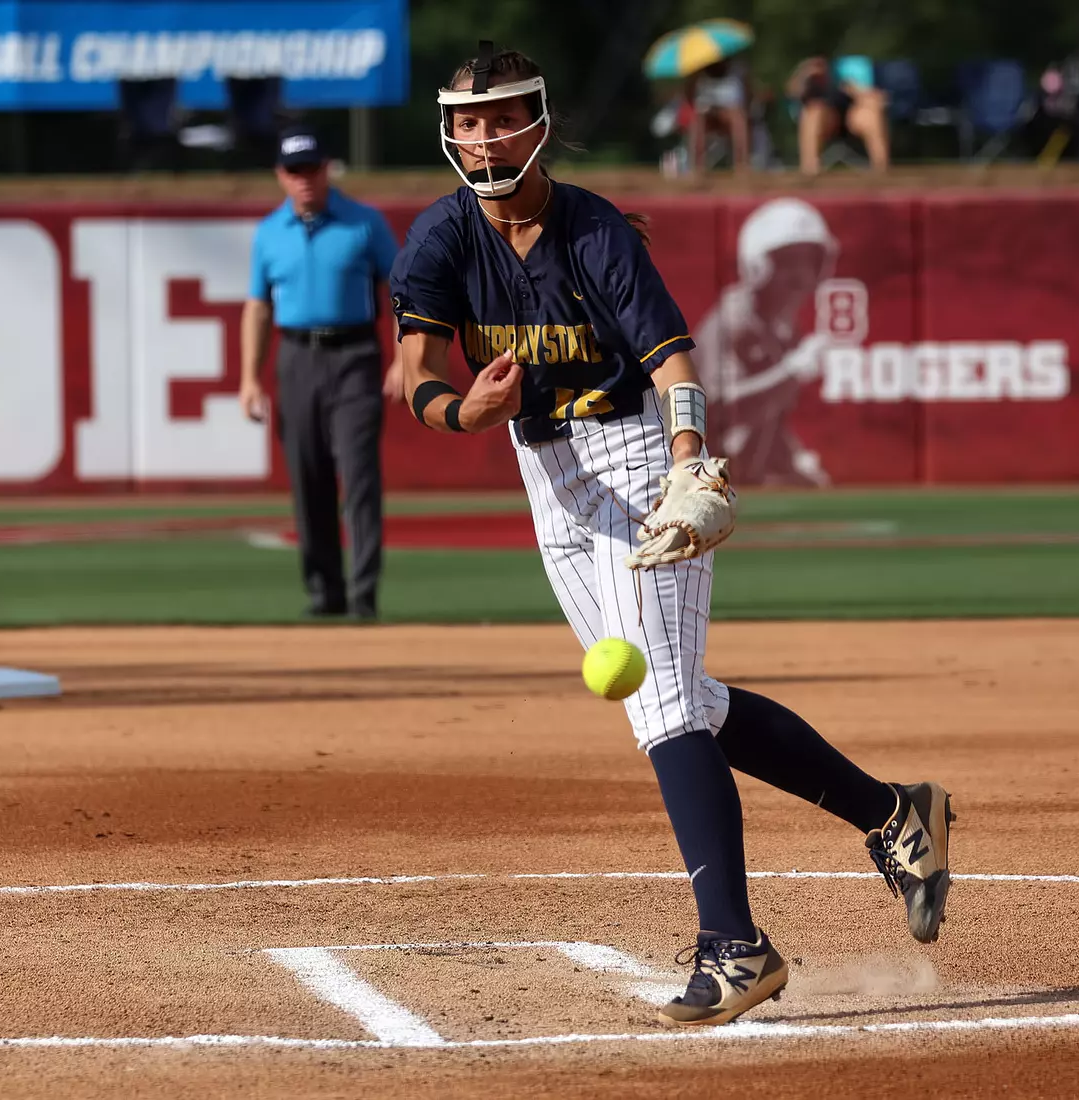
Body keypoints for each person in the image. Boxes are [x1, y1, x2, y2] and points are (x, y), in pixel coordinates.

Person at [389, 42, 956, 1028]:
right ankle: (892, 812)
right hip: (547, 473)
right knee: (681, 696)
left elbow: (671, 356)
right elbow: (415, 375)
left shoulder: (594, 231)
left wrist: (689, 460)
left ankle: (737, 943)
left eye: (502, 116)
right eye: (468, 121)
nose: (483, 137)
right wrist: (464, 416)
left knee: (661, 701)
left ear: (540, 121)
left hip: (634, 452)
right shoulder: (442, 236)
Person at [240, 127, 401, 621]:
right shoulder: (269, 232)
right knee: (307, 476)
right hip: (296, 357)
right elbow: (258, 306)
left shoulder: (364, 223)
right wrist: (250, 377)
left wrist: (404, 359)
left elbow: (402, 295)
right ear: (280, 176)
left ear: (327, 168)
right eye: (295, 170)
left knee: (358, 476)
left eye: (312, 168)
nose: (305, 179)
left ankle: (363, 594)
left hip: (354, 354)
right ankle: (323, 591)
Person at [693, 197, 839, 487]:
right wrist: (791, 372)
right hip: (696, 472)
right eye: (787, 262)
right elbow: (714, 407)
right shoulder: (734, 320)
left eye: (808, 261)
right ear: (757, 264)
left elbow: (767, 418)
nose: (801, 274)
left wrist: (793, 459)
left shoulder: (779, 327)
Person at [787, 56, 890, 175]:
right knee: (813, 114)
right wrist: (805, 75)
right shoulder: (806, 81)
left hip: (854, 116)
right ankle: (810, 171)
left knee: (871, 112)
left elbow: (878, 98)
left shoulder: (849, 72)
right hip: (827, 121)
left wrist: (855, 91)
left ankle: (881, 169)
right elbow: (793, 97)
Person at [683, 58, 751, 175]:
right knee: (698, 120)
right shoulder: (700, 74)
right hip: (708, 116)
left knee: (738, 118)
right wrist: (693, 79)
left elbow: (747, 98)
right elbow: (690, 99)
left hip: (731, 116)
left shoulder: (737, 71)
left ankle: (741, 165)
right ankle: (697, 168)